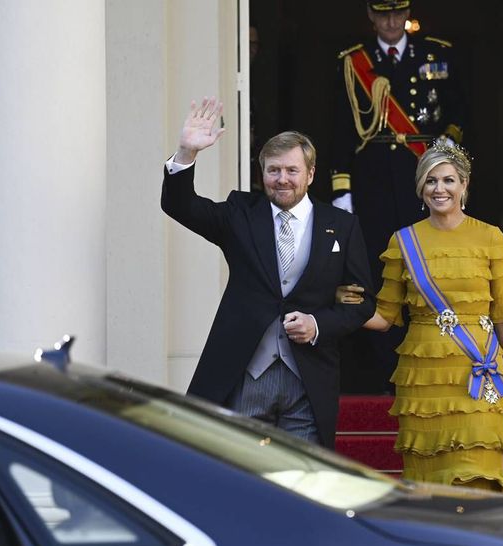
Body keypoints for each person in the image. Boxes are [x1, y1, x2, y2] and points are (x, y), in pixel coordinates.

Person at [161, 97, 375, 449]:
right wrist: (187, 153)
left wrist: (319, 325)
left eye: (292, 171)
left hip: (308, 378)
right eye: (273, 170)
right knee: (239, 474)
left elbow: (361, 302)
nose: (282, 179)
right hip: (246, 373)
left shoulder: (342, 225)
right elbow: (179, 205)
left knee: (302, 481)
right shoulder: (240, 214)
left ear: (311, 173)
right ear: (262, 174)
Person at [336, 140, 503, 492]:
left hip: (480, 374)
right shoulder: (403, 241)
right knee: (429, 488)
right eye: (430, 181)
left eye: (448, 180)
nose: (439, 189)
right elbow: (384, 317)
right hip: (423, 381)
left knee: (479, 478)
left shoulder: (490, 237)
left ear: (464, 185)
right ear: (420, 188)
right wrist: (341, 303)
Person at [331, 0, 470, 393]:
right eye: (384, 13)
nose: (392, 22)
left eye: (398, 13)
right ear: (371, 16)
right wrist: (342, 189)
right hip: (373, 183)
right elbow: (340, 129)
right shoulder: (352, 62)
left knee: (428, 269)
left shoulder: (435, 53)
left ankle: (429, 363)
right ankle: (383, 370)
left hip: (425, 182)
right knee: (378, 274)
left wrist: (447, 143)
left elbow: (460, 111)